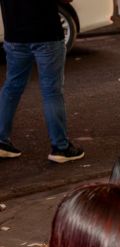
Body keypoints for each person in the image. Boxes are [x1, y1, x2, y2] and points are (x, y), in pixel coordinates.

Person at [0, 0, 84, 163]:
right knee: (52, 92)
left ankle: (1, 140)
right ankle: (60, 147)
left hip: (15, 35)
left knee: (11, 87)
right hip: (46, 34)